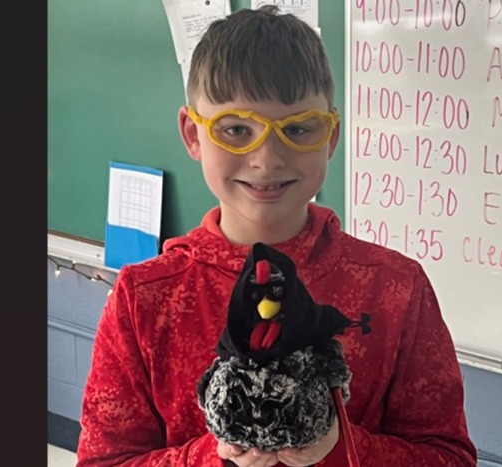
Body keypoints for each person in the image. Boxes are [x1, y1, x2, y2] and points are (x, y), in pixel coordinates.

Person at [76, 6, 477, 467]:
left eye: (298, 128)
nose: (266, 159)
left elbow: (450, 459)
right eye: (236, 130)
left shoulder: (395, 287)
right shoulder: (143, 298)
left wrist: (340, 445)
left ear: (330, 136)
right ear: (193, 134)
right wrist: (216, 453)